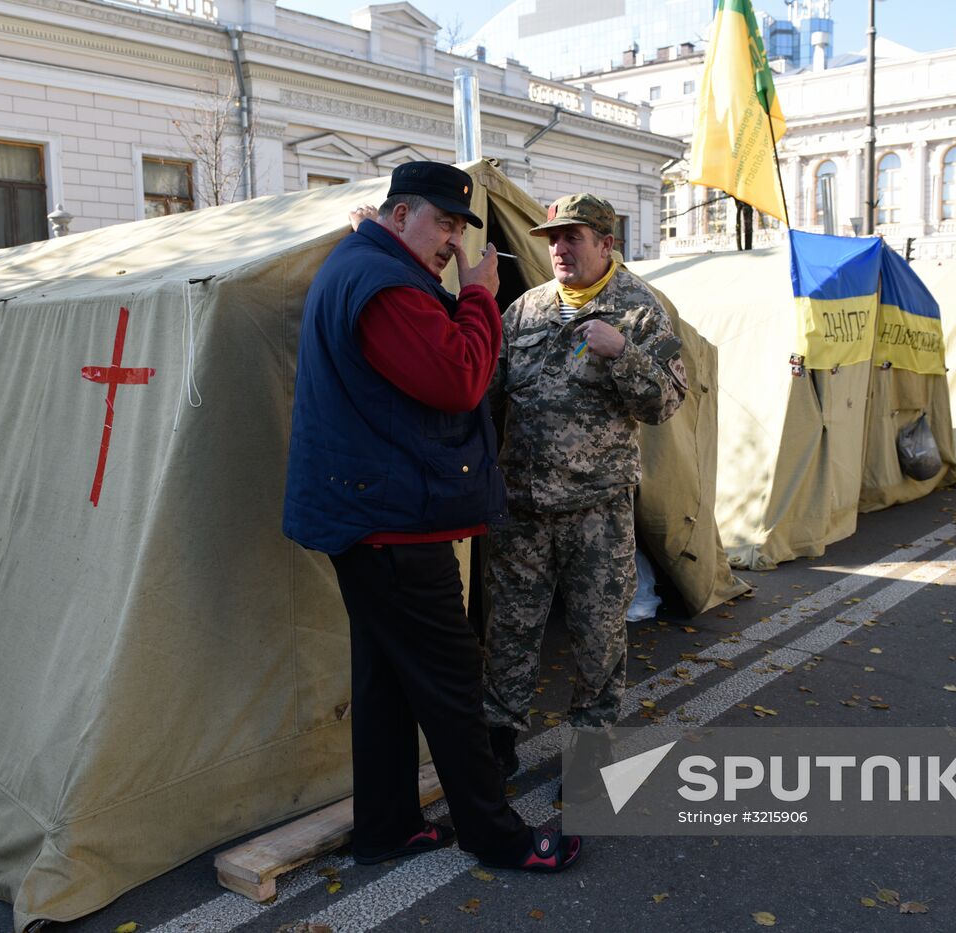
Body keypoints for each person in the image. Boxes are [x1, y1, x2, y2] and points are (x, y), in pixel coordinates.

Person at [283, 162, 580, 872]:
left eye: (458, 227)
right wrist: (478, 297)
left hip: (371, 515)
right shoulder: (385, 284)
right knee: (452, 684)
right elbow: (458, 379)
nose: (453, 240)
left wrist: (448, 287)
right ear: (398, 216)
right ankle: (498, 836)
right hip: (393, 524)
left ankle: (386, 828)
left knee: (385, 681)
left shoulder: (370, 265)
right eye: (443, 223)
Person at [482, 193, 688, 776]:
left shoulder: (640, 310)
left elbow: (666, 403)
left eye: (573, 237)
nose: (559, 249)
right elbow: (489, 395)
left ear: (606, 243)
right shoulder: (525, 310)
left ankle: (591, 750)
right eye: (553, 238)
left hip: (596, 510)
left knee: (598, 636)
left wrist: (622, 353)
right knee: (510, 627)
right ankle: (498, 740)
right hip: (523, 506)